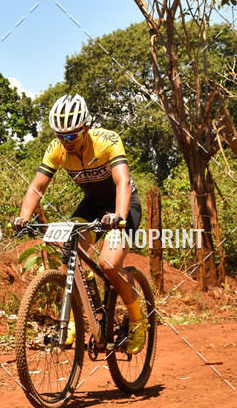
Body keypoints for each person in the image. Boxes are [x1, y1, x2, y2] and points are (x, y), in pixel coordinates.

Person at [12, 93, 146, 353]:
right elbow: (37, 187)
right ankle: (72, 321)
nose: (66, 142)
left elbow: (122, 181)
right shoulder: (56, 149)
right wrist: (24, 217)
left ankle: (137, 318)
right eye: (61, 136)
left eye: (72, 136)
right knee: (67, 252)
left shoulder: (107, 140)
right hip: (92, 206)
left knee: (109, 264)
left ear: (86, 128)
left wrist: (118, 216)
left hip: (123, 205)